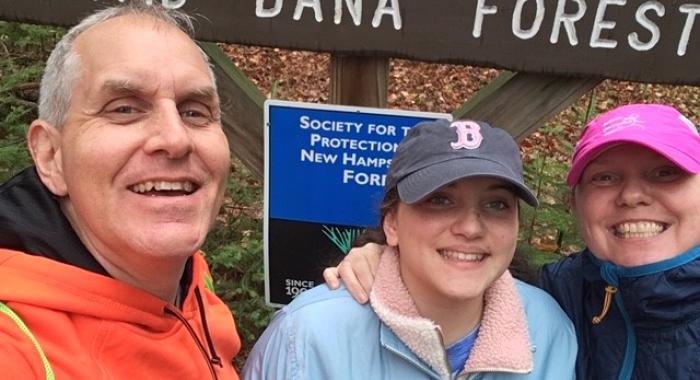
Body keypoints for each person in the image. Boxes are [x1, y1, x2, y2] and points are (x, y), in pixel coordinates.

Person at [327, 103, 700, 380]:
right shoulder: (563, 295)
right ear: (575, 203)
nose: (632, 195)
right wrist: (388, 257)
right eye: (605, 178)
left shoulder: (552, 313)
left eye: (665, 173)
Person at [0, 2, 241, 379]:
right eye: (125, 109)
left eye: (194, 111)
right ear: (50, 156)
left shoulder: (191, 282)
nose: (175, 139)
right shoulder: (15, 347)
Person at [244, 119, 577, 379]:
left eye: (496, 204)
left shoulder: (548, 331)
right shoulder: (307, 338)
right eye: (440, 200)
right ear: (391, 224)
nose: (471, 227)